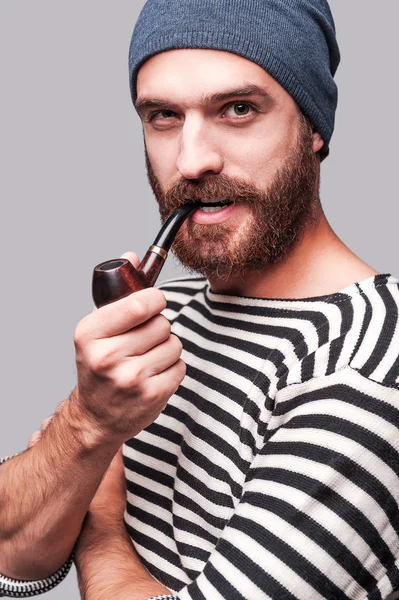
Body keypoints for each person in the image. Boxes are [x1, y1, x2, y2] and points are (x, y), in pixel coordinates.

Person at [1, 0, 399, 598]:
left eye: (238, 110)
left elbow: (62, 534)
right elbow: (13, 552)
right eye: (163, 116)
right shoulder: (169, 318)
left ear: (314, 128)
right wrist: (89, 423)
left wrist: (101, 531)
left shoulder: (367, 367)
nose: (190, 161)